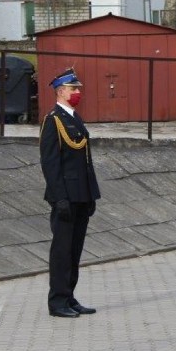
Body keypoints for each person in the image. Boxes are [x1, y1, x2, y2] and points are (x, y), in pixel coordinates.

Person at [39, 68, 100, 318]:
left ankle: (69, 295)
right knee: (62, 250)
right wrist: (60, 197)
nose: (77, 93)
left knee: (75, 249)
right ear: (61, 91)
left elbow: (86, 160)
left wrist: (91, 194)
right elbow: (50, 163)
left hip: (81, 194)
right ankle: (57, 301)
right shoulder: (53, 120)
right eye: (73, 89)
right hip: (65, 195)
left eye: (78, 89)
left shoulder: (75, 117)